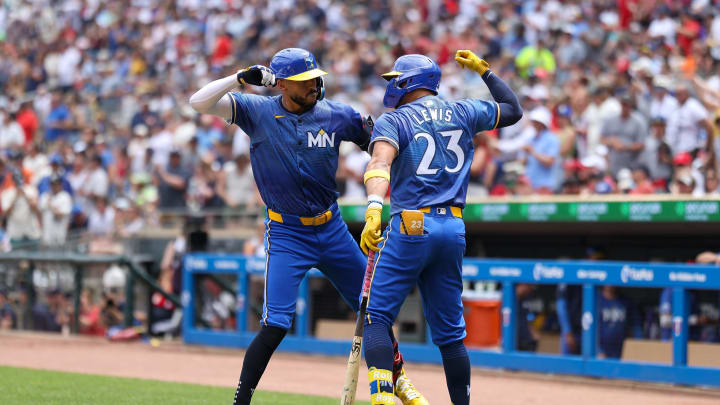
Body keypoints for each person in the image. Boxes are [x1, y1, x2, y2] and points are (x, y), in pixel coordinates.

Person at [189, 47, 425, 405]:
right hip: (287, 234)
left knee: (375, 308)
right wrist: (239, 78)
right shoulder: (258, 111)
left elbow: (381, 147)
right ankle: (241, 400)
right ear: (281, 84)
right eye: (304, 81)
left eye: (316, 78)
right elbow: (199, 102)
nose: (314, 85)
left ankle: (399, 379)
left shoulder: (337, 115)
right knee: (276, 324)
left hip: (331, 229)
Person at [358, 51, 522, 405]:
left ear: (408, 81)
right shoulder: (463, 110)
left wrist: (373, 206)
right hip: (453, 227)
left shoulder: (395, 119)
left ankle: (383, 397)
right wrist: (486, 72)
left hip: (412, 223)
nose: (392, 85)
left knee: (377, 317)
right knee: (450, 335)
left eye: (395, 78)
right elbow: (513, 109)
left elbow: (378, 163)